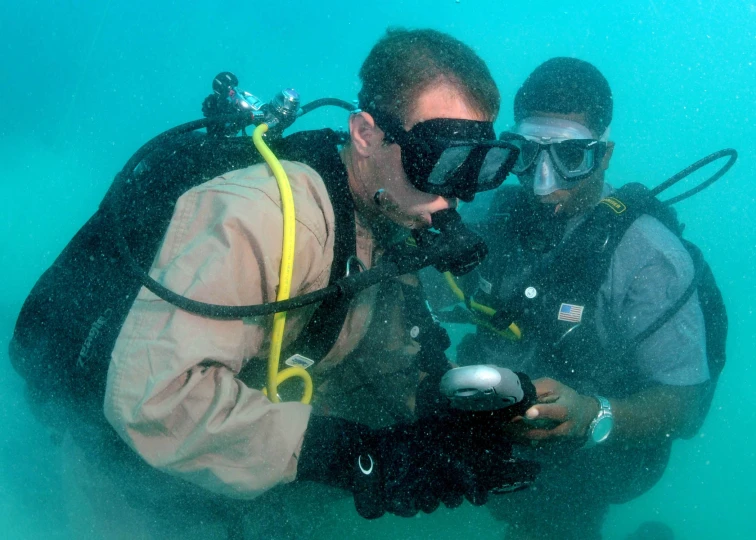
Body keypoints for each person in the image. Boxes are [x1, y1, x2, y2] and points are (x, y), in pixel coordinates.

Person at [9, 29, 536, 539]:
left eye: (479, 166)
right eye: (443, 159)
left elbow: (382, 354)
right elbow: (154, 399)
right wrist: (357, 459)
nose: (460, 195)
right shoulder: (263, 214)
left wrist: (445, 423)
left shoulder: (388, 216)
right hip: (120, 462)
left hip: (228, 457)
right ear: (365, 134)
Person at [452, 57, 715, 539]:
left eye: (572, 157)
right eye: (526, 154)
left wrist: (595, 415)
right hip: (497, 431)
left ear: (605, 155)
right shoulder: (490, 215)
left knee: (554, 517)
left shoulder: (648, 258)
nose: (542, 182)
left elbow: (686, 407)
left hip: (593, 460)